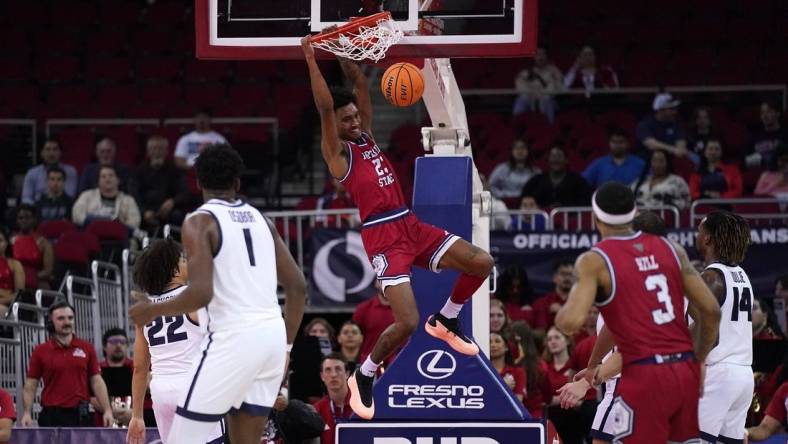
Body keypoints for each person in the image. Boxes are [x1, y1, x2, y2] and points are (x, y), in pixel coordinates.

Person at [302, 37, 495, 420]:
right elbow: (326, 106)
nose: (355, 121)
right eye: (348, 119)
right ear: (334, 127)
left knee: (482, 262)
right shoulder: (337, 153)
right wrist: (311, 55)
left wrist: (342, 47)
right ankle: (367, 373)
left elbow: (358, 80)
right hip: (384, 237)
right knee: (406, 321)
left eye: (357, 116)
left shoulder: (366, 135)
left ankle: (447, 318)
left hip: (410, 224)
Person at [128, 145, 306, 444]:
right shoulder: (265, 222)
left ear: (197, 183)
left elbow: (200, 292)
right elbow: (298, 287)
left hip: (232, 342)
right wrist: (286, 346)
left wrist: (154, 310)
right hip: (271, 336)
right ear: (238, 182)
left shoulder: (199, 222)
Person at [554, 182, 721, 443]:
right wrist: (697, 362)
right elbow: (711, 312)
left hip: (643, 374)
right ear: (632, 214)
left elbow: (570, 322)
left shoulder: (596, 260)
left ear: (596, 217)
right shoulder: (673, 252)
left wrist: (578, 294)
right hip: (682, 371)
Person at [126, 238, 222, 444]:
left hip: (161, 393)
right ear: (174, 271)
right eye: (184, 261)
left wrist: (136, 415)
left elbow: (140, 368)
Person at [692, 210, 755, 443]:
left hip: (717, 371)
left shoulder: (710, 277)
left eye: (700, 230)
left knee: (691, 439)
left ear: (708, 239)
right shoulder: (742, 275)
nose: (696, 234)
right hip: (743, 373)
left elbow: (705, 329)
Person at [22, 301, 115, 427]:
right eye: (61, 318)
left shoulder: (87, 348)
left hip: (81, 414)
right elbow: (31, 384)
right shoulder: (41, 350)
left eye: (70, 318)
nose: (67, 322)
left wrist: (107, 410)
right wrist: (27, 412)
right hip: (52, 415)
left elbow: (96, 381)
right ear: (51, 323)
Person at [131, 135, 194, 234]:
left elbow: (185, 192)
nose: (157, 153)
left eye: (160, 149)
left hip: (170, 213)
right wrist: (143, 212)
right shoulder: (139, 172)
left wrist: (173, 201)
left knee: (178, 216)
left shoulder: (175, 170)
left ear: (166, 151)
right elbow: (134, 195)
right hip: (145, 212)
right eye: (154, 149)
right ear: (148, 152)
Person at [541, 327, 585, 444]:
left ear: (568, 340)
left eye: (557, 337)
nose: (553, 342)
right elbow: (541, 399)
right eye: (549, 339)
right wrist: (567, 398)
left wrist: (555, 399)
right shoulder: (544, 367)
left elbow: (584, 398)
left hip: (575, 420)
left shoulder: (576, 367)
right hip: (551, 419)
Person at [520, 145, 592, 208]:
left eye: (559, 156)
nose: (556, 159)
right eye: (553, 156)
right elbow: (524, 200)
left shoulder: (578, 181)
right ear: (548, 160)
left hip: (571, 220)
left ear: (566, 160)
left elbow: (585, 202)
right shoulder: (536, 181)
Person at [72, 165, 142, 229]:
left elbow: (134, 222)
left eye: (111, 175)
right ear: (98, 181)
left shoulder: (128, 200)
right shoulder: (86, 196)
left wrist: (119, 227)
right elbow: (77, 215)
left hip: (119, 237)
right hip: (92, 234)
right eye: (103, 176)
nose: (107, 179)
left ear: (118, 180)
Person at [513, 46, 564, 121]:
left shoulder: (554, 70)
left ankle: (549, 128)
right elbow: (519, 83)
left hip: (548, 99)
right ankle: (516, 126)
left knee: (547, 101)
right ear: (534, 57)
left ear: (546, 56)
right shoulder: (528, 71)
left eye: (543, 54)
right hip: (531, 98)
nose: (540, 57)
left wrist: (543, 94)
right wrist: (532, 94)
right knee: (521, 100)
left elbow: (559, 85)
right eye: (538, 54)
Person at [582, 130, 646, 189]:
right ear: (609, 143)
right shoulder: (599, 164)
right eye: (614, 142)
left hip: (632, 200)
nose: (617, 145)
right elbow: (583, 182)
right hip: (604, 200)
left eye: (621, 142)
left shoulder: (640, 164)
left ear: (628, 144)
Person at [96, 327, 134, 427]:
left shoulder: (136, 368)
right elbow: (91, 397)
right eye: (113, 342)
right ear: (104, 346)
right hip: (103, 426)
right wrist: (110, 410)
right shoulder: (97, 370)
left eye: (122, 342)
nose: (118, 345)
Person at [21, 138, 78, 204]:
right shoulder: (32, 173)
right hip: (37, 210)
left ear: (60, 152)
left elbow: (70, 195)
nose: (51, 153)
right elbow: (26, 198)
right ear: (42, 153)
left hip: (63, 208)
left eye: (55, 149)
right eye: (48, 150)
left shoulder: (70, 171)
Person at [312, 353, 353, 444]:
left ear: (347, 374)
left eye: (338, 369)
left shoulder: (361, 406)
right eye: (328, 370)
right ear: (322, 376)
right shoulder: (316, 410)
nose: (333, 375)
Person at [352, 288, 397, 368]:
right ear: (376, 282)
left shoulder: (407, 311)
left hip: (398, 363)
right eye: (382, 278)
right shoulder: (363, 309)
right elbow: (355, 340)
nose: (385, 282)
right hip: (368, 364)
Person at [11, 204, 54, 289]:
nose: (24, 220)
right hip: (14, 281)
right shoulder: (11, 242)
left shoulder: (45, 244)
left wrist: (28, 278)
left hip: (37, 281)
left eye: (27, 217)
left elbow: (48, 271)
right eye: (20, 218)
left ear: (34, 220)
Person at [635, 93, 688, 158]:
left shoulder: (677, 123)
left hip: (670, 160)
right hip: (647, 160)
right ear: (660, 110)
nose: (675, 112)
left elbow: (681, 144)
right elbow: (651, 145)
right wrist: (673, 149)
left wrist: (679, 149)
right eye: (671, 109)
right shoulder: (645, 124)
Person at [531, 258, 575, 331]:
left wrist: (561, 312)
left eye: (570, 275)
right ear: (555, 277)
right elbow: (540, 332)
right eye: (563, 274)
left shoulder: (581, 304)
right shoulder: (542, 303)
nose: (567, 278)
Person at [747, 101, 786, 170]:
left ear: (777, 113)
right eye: (762, 112)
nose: (765, 116)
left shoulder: (785, 134)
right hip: (760, 174)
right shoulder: (754, 136)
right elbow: (745, 161)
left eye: (769, 112)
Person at [490, 331, 526, 403]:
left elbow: (518, 403)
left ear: (506, 347)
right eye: (489, 342)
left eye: (497, 341)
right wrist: (503, 387)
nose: (493, 345)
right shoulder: (481, 370)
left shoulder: (518, 372)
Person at [0, 230, 25, 319]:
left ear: (6, 243)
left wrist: (2, 299)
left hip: (7, 307)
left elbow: (19, 295)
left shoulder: (15, 264)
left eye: (0, 240)